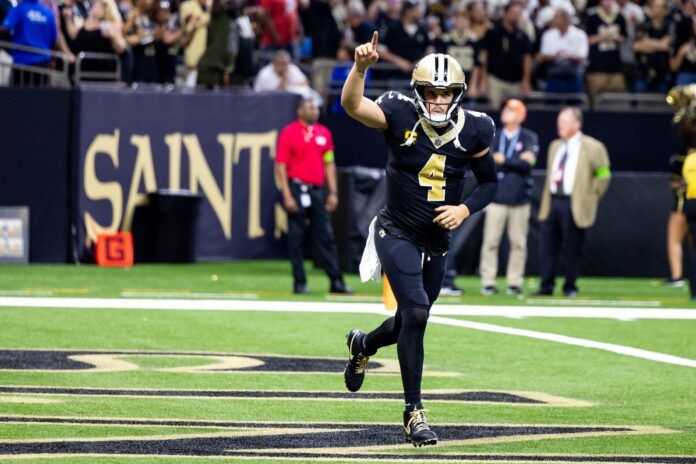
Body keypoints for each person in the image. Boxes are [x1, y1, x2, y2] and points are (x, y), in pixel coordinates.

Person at [341, 33, 497, 446]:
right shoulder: (398, 112)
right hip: (396, 230)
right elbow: (352, 105)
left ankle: (363, 343)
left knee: (410, 318)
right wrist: (360, 68)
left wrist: (464, 209)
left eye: (446, 94)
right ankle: (414, 412)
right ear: (418, 92)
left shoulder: (476, 129)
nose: (438, 101)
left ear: (458, 95)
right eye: (431, 92)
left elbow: (490, 183)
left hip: (437, 242)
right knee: (416, 312)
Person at [274, 98, 352, 295]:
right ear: (300, 110)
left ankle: (336, 281)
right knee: (296, 237)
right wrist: (287, 194)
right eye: (310, 107)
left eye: (316, 107)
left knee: (325, 236)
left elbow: (329, 163)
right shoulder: (289, 132)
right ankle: (299, 282)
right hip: (297, 187)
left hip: (317, 189)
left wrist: (333, 191)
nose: (315, 111)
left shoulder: (323, 133)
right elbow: (281, 165)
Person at [536, 107, 611, 297]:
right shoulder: (555, 146)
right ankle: (546, 285)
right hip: (553, 201)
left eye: (565, 122)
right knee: (547, 246)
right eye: (559, 121)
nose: (559, 125)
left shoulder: (593, 146)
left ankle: (570, 286)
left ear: (577, 124)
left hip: (574, 203)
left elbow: (603, 174)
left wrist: (591, 195)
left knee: (572, 247)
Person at [479, 99, 538, 295]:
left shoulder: (529, 137)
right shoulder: (494, 136)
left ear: (520, 115)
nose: (505, 111)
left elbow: (528, 164)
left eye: (511, 110)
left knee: (518, 243)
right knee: (491, 242)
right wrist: (516, 161)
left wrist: (504, 160)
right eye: (504, 108)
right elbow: (488, 161)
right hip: (496, 197)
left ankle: (514, 282)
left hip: (520, 199)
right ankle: (488, 281)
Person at [480, 1, 532, 108]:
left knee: (514, 111)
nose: (516, 16)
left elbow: (527, 58)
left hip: (516, 82)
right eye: (513, 12)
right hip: (495, 79)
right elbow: (484, 56)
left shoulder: (523, 35)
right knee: (494, 111)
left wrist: (526, 80)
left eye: (518, 13)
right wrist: (484, 79)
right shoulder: (493, 32)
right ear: (506, 13)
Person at [1, 0, 58, 86]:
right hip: (43, 65)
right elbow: (54, 40)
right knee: (41, 97)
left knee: (18, 97)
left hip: (22, 65)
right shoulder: (48, 13)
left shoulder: (19, 9)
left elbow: (5, 29)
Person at [584, 0, 627, 105]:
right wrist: (602, 37)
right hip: (597, 67)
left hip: (615, 67)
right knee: (596, 101)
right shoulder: (591, 17)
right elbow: (586, 40)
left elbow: (625, 38)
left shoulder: (619, 17)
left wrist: (616, 37)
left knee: (618, 101)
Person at [538, 8, 588, 94]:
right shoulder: (548, 35)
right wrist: (556, 56)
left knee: (575, 105)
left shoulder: (580, 35)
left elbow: (582, 56)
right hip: (554, 75)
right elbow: (542, 56)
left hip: (573, 75)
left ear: (565, 19)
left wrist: (568, 55)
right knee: (552, 105)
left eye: (556, 18)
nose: (553, 20)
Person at [633, 0, 674, 93]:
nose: (655, 9)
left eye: (659, 7)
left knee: (661, 105)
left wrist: (646, 41)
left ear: (665, 10)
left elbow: (667, 46)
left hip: (662, 73)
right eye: (654, 6)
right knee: (640, 104)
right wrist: (660, 44)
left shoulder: (670, 26)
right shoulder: (642, 25)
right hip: (643, 72)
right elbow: (636, 46)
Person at [254, 50, 322, 104]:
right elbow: (278, 94)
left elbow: (305, 82)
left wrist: (290, 86)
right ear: (274, 63)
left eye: (286, 63)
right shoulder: (265, 74)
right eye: (281, 63)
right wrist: (284, 79)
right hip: (266, 102)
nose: (284, 66)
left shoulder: (291, 67)